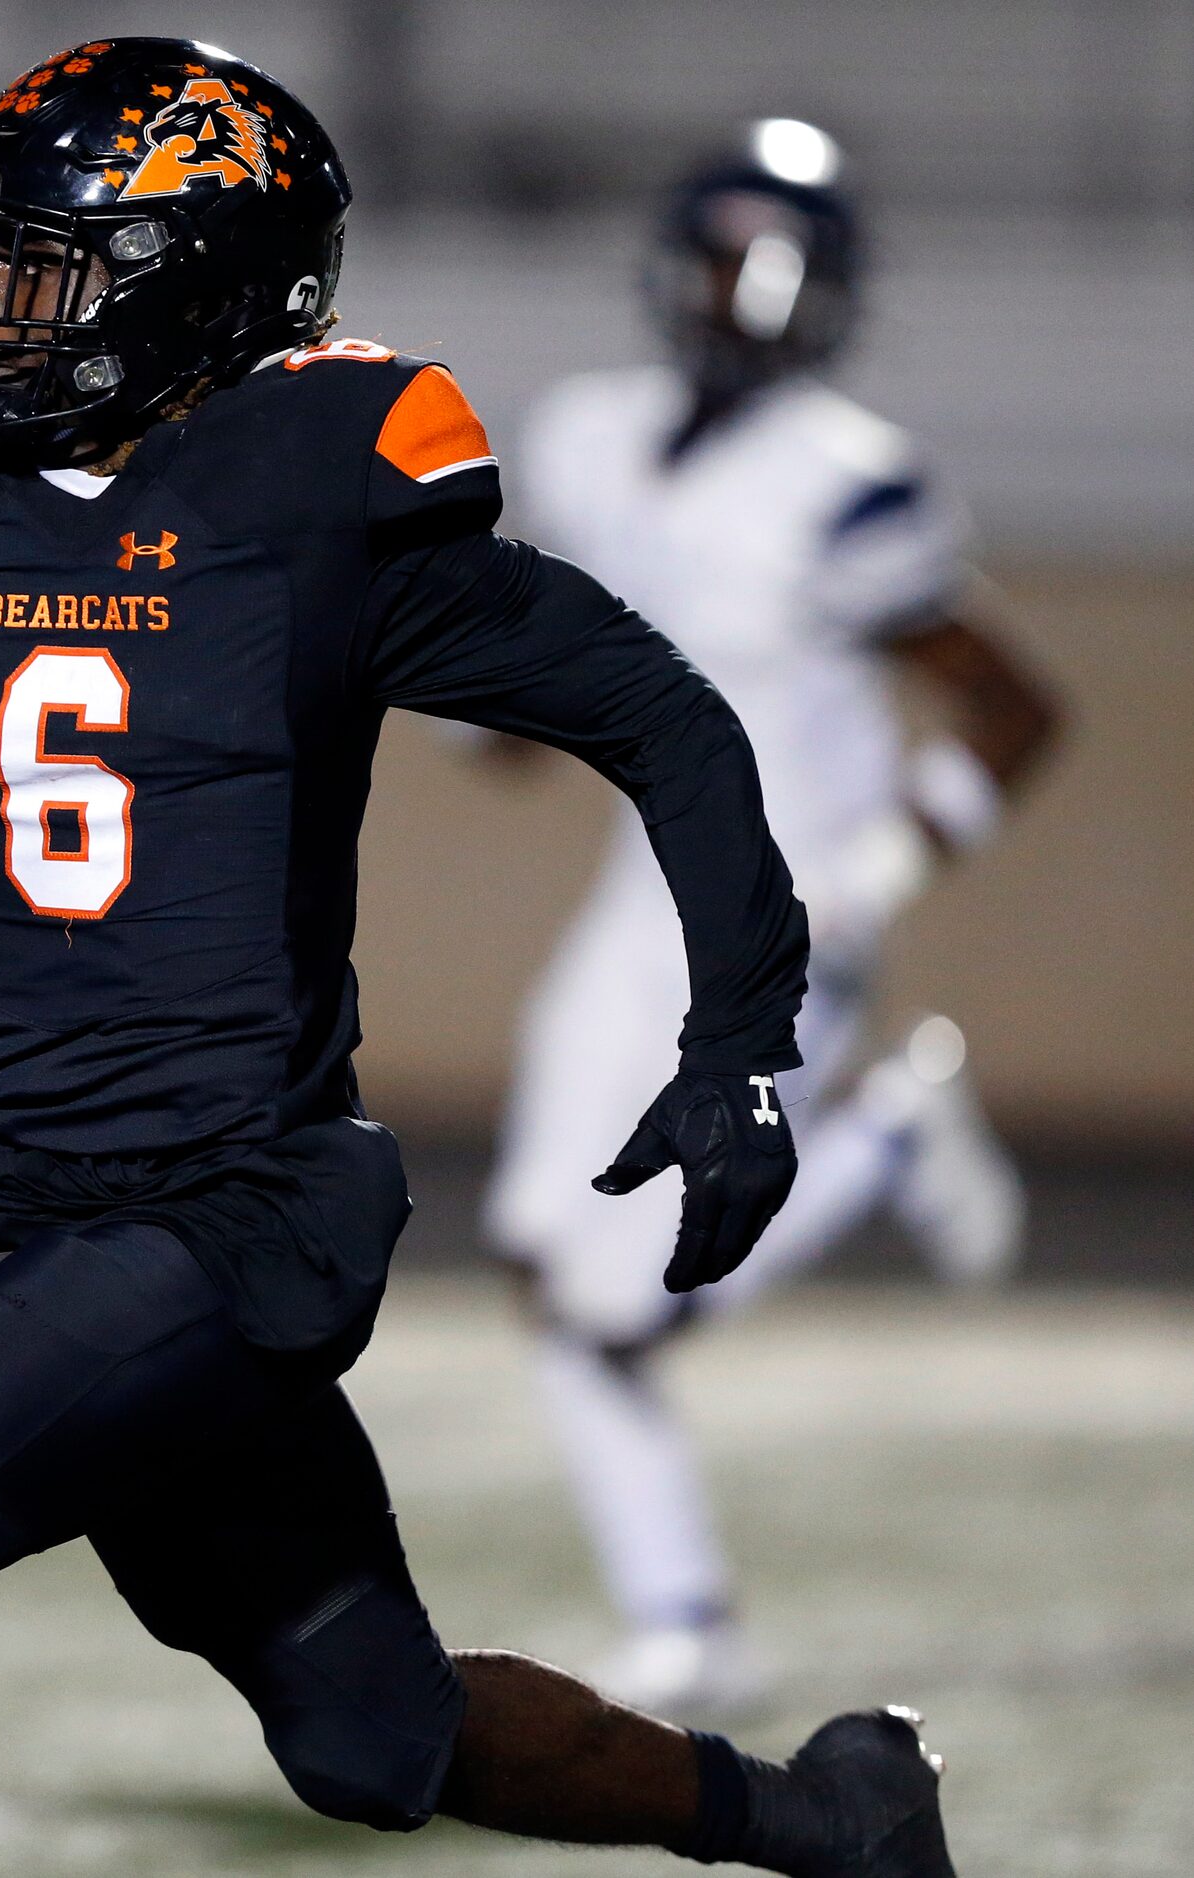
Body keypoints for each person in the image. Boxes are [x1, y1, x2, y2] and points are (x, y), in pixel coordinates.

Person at [0, 40, 957, 1878]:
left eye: (43, 266)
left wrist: (739, 1036)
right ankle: (822, 1814)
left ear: (196, 287)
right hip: (59, 1198)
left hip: (239, 1209)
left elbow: (664, 715)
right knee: (368, 1730)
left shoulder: (318, 479)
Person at [482, 119, 1063, 1717]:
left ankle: (880, 1133)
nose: (744, 289)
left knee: (615, 1295)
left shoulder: (848, 479)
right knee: (549, 1268)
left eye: (777, 258)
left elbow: (1015, 707)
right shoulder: (589, 433)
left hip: (781, 910)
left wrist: (888, 865)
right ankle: (685, 1619)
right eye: (725, 248)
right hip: (639, 896)